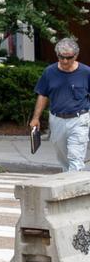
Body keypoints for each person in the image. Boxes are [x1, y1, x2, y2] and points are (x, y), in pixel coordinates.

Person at [31, 37, 90, 173]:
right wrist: (36, 118)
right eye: (61, 57)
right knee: (63, 159)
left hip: (79, 119)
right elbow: (43, 95)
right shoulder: (49, 72)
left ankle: (75, 189)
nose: (64, 61)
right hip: (56, 119)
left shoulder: (86, 72)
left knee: (75, 158)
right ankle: (67, 184)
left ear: (76, 56)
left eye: (68, 58)